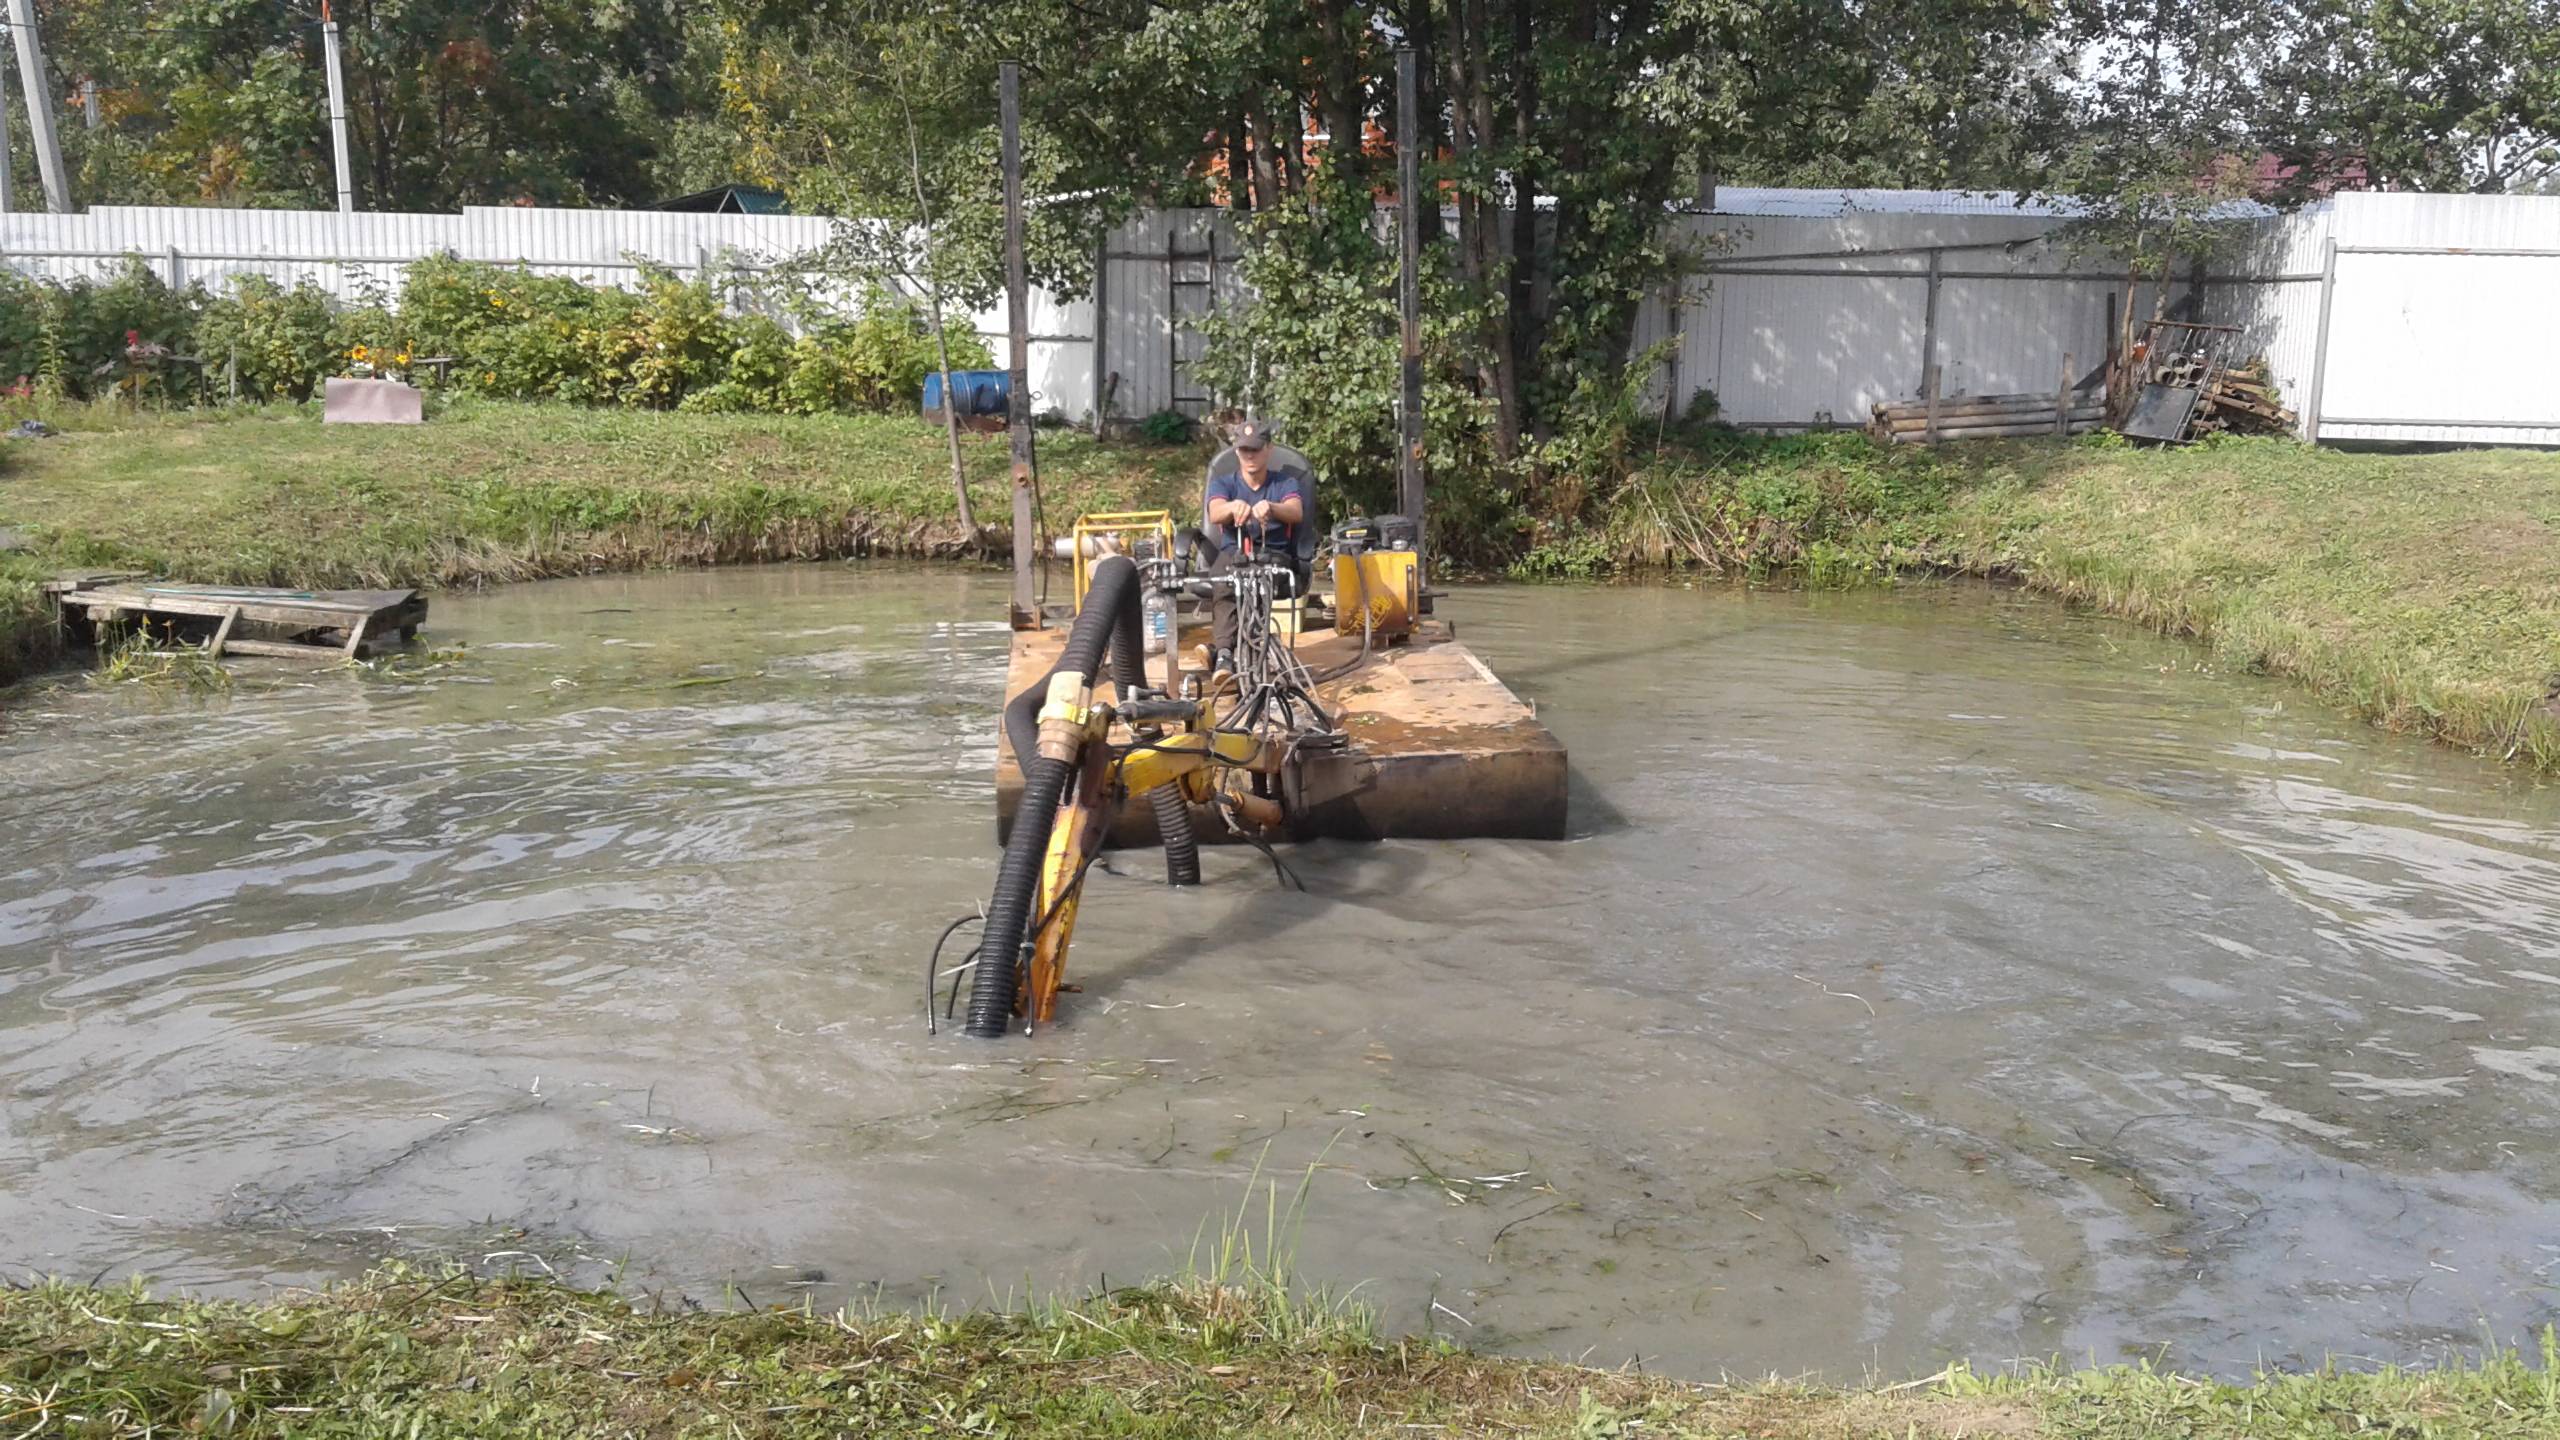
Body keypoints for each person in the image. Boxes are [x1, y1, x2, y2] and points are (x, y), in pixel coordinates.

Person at [1201, 418, 1315, 674]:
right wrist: (1232, 506)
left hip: (1272, 554)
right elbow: (1215, 513)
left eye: (1255, 449)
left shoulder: (1285, 483)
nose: (1249, 455)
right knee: (1225, 583)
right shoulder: (1224, 482)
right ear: (1237, 452)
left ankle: (1250, 651)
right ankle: (1225, 654)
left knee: (1258, 582)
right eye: (1244, 450)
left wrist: (1272, 508)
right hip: (1233, 552)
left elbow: (1296, 512)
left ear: (1268, 449)